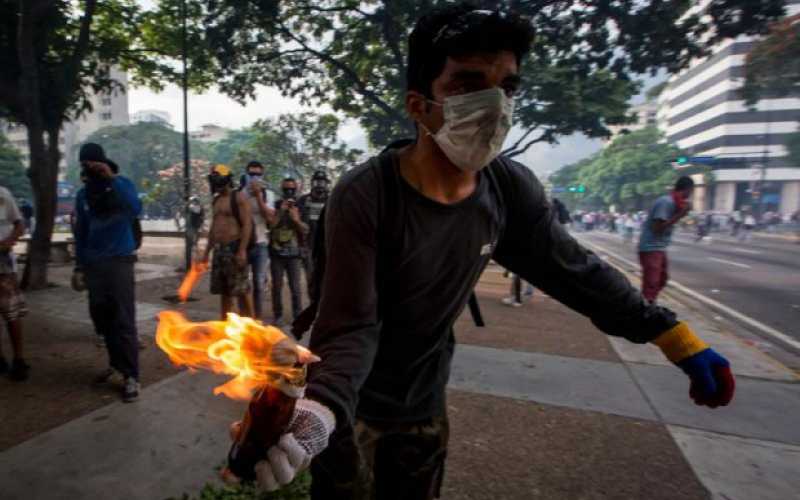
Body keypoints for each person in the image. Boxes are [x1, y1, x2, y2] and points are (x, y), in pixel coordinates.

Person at [231, 6, 735, 498]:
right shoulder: (366, 194)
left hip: (423, 401)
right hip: (348, 402)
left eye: (508, 87)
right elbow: (352, 323)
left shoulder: (508, 190)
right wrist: (318, 415)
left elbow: (574, 271)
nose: (495, 105)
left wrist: (670, 334)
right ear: (418, 105)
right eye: (468, 85)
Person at [73, 143, 142, 402]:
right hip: (94, 265)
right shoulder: (83, 196)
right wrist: (79, 266)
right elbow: (81, 233)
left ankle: (132, 376)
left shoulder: (122, 184)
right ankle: (116, 364)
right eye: (85, 164)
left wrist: (111, 178)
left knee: (124, 320)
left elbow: (135, 209)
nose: (90, 168)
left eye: (94, 163)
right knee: (102, 320)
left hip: (120, 262)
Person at [200, 164, 254, 320]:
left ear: (226, 179)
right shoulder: (216, 200)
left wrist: (242, 250)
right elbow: (213, 228)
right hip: (219, 250)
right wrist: (206, 252)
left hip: (234, 248)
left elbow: (247, 225)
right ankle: (225, 325)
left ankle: (251, 327)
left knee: (241, 290)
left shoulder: (238, 197)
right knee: (224, 291)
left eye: (218, 178)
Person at [638, 176, 694, 304]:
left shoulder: (674, 203)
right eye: (691, 191)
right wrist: (680, 215)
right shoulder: (666, 202)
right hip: (651, 247)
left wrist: (680, 213)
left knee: (661, 279)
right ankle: (646, 309)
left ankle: (648, 303)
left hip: (658, 247)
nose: (690, 196)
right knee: (652, 282)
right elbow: (657, 228)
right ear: (687, 189)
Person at [268, 177, 308, 326]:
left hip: (294, 254)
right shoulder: (277, 205)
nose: (289, 192)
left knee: (295, 287)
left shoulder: (300, 206)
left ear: (296, 189)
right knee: (277, 287)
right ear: (282, 190)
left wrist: (296, 219)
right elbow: (270, 226)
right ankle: (277, 315)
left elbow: (306, 229)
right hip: (276, 253)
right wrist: (281, 212)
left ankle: (298, 315)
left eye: (292, 189)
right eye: (286, 189)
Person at [0, 186, 29, 381]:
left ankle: (19, 360)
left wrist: (8, 241)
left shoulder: (2, 195)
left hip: (3, 267)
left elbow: (20, 224)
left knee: (11, 314)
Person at [240, 161, 275, 322]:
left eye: (258, 174)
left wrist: (259, 196)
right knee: (242, 283)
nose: (254, 177)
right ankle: (244, 318)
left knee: (259, 284)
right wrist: (248, 194)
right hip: (242, 244)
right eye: (251, 174)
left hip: (261, 244)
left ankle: (258, 318)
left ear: (262, 175)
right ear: (246, 174)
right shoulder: (240, 194)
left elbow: (269, 217)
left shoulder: (269, 194)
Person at [297, 170, 331, 296]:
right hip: (309, 245)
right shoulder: (303, 200)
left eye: (322, 182)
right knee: (310, 277)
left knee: (327, 278)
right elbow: (297, 222)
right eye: (317, 181)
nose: (319, 185)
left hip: (327, 245)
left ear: (326, 183)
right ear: (312, 183)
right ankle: (313, 306)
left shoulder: (332, 199)